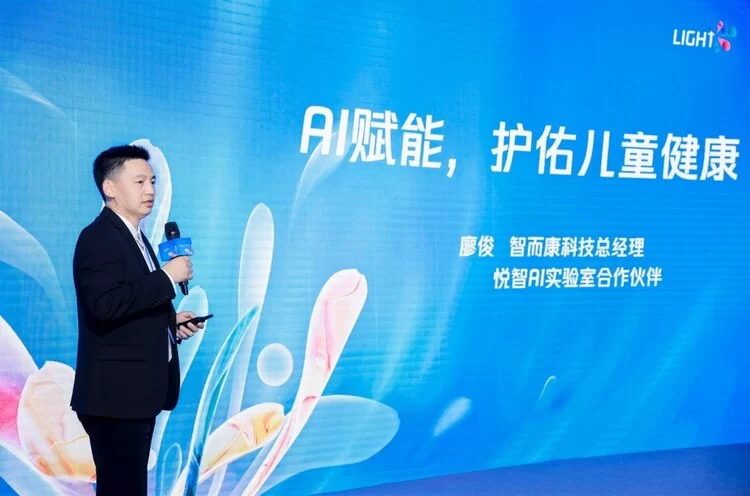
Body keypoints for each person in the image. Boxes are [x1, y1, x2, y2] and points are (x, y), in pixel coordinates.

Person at [70, 144, 204, 495]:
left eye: (153, 182)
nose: (150, 190)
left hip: (136, 394)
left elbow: (130, 304)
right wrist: (167, 277)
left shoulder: (137, 237)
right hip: (115, 397)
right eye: (140, 181)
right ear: (109, 187)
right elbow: (105, 305)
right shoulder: (98, 237)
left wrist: (171, 324)